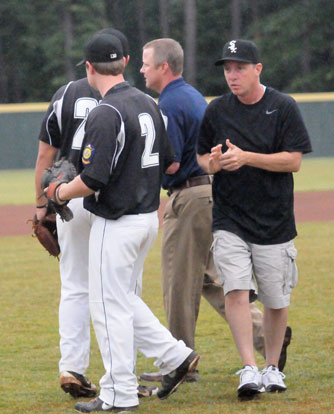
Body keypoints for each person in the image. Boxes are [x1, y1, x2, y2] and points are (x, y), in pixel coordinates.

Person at [47, 31, 200, 413]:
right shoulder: (149, 103)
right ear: (126, 63)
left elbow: (93, 178)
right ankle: (174, 357)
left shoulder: (106, 112)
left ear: (88, 67)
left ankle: (119, 394)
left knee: (107, 306)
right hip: (147, 218)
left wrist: (59, 194)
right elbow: (171, 162)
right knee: (121, 299)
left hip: (116, 221)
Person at [138, 38, 291, 384]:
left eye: (146, 63)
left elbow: (175, 162)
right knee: (210, 278)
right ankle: (263, 335)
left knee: (178, 280)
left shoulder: (171, 103)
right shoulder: (189, 95)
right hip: (207, 193)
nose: (142, 70)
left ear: (164, 67)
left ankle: (177, 362)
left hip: (190, 195)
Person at [35, 28, 155, 399]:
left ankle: (72, 366)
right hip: (110, 199)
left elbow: (45, 156)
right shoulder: (139, 99)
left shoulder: (66, 94)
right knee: (123, 289)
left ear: (88, 65)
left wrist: (43, 205)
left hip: (69, 196)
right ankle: (127, 372)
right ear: (127, 62)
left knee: (74, 286)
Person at [196, 39, 312, 397]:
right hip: (229, 218)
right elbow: (202, 156)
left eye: (240, 67)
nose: (232, 75)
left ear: (258, 69)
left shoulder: (282, 107)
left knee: (276, 301)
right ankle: (248, 368)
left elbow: (293, 160)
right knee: (236, 290)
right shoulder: (216, 110)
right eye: (228, 69)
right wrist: (212, 164)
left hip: (274, 221)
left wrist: (248, 157)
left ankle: (272, 368)